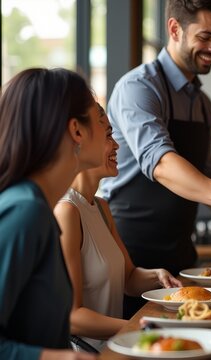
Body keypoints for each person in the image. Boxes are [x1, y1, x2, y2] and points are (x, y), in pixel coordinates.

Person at [99, 0, 211, 317]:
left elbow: (205, 173)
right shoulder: (139, 88)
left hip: (183, 256)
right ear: (174, 29)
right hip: (132, 259)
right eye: (206, 36)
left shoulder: (203, 104)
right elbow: (161, 163)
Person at [53, 105, 183, 351]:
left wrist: (157, 275)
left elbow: (129, 279)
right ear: (79, 141)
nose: (117, 145)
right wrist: (136, 326)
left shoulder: (101, 207)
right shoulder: (67, 211)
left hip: (114, 348)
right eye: (108, 135)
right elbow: (72, 317)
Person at [0, 68, 105, 360]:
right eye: (99, 121)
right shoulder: (25, 212)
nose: (111, 136)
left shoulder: (38, 208)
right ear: (76, 130)